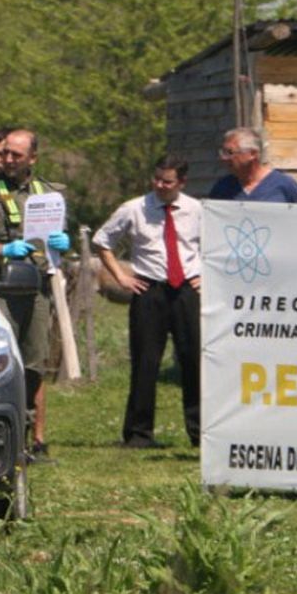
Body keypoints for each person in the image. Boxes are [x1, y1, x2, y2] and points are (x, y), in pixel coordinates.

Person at [0, 128, 70, 458]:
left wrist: (61, 245)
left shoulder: (49, 193)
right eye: (5, 153)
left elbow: (57, 238)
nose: (7, 159)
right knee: (4, 361)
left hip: (36, 287)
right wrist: (2, 248)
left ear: (32, 159)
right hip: (0, 288)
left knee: (35, 363)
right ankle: (1, 436)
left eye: (16, 155)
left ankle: (32, 438)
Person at [94, 155, 202, 448]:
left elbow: (216, 244)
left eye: (167, 181)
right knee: (145, 362)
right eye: (156, 179)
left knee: (193, 360)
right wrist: (121, 276)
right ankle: (139, 433)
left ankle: (200, 431)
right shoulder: (134, 208)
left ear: (181, 182)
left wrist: (204, 274)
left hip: (186, 292)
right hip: (149, 291)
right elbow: (102, 241)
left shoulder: (196, 209)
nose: (160, 185)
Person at [208, 127, 297, 203]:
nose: (223, 158)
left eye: (230, 152)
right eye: (223, 152)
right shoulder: (222, 187)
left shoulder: (284, 185)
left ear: (252, 154)